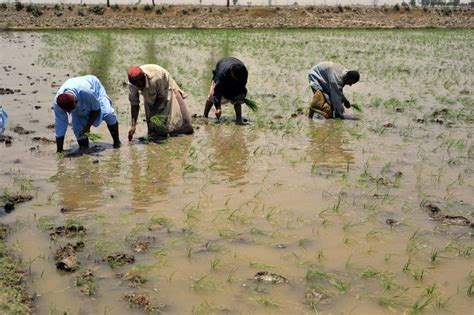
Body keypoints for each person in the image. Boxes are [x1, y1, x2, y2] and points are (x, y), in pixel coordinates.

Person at [54, 75, 120, 153]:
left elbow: (96, 109)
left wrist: (87, 127)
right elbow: (60, 125)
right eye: (67, 111)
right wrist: (59, 150)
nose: (69, 113)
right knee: (78, 129)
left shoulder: (86, 92)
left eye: (71, 110)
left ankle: (117, 142)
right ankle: (84, 149)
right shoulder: (58, 102)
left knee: (108, 114)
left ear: (75, 100)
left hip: (94, 87)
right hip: (77, 92)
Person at [127, 64, 193, 141]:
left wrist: (154, 114)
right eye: (137, 85)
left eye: (140, 84)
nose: (139, 87)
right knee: (153, 129)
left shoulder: (156, 77)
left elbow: (161, 97)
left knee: (179, 124)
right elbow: (134, 104)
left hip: (165, 85)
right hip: (150, 92)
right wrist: (133, 125)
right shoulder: (132, 84)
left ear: (144, 77)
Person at [204, 57, 248, 124]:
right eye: (235, 78)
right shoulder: (222, 74)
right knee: (212, 95)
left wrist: (239, 95)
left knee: (238, 97)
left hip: (232, 65)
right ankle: (205, 115)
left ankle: (239, 119)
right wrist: (218, 107)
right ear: (231, 72)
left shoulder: (243, 72)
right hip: (221, 66)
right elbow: (217, 91)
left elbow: (242, 86)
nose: (237, 80)